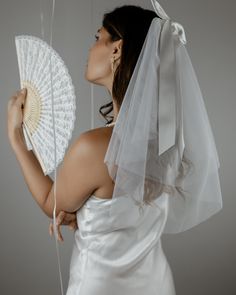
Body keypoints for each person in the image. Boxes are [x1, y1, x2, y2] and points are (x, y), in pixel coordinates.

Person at [7, 3, 222, 295]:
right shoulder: (167, 143)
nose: (91, 47)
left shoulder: (94, 147)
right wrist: (85, 213)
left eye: (97, 38)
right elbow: (126, 211)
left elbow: (50, 202)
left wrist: (16, 138)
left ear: (117, 50)